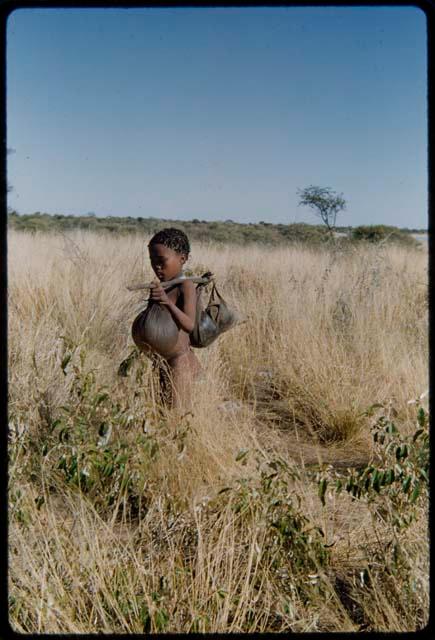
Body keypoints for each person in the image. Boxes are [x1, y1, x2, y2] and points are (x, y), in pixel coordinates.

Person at [146, 228, 201, 411]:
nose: (157, 267)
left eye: (162, 262)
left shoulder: (186, 286)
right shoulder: (160, 286)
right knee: (161, 412)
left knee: (176, 417)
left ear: (182, 259)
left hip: (180, 363)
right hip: (161, 361)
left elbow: (189, 324)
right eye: (153, 262)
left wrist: (167, 303)